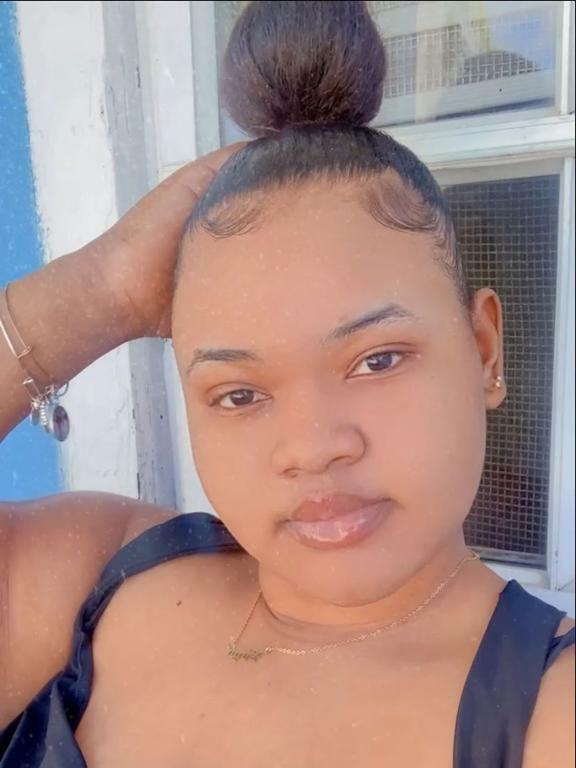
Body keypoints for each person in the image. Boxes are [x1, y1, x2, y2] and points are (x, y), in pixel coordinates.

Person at [0, 1, 574, 766]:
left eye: (377, 360)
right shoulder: (99, 578)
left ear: (483, 351)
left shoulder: (550, 712)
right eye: (239, 394)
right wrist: (98, 291)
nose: (312, 448)